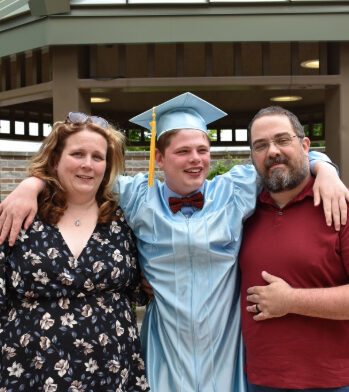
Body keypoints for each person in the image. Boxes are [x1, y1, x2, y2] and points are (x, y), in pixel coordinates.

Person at [0, 93, 348, 392]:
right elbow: (81, 173)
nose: (195, 159)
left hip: (225, 349)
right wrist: (31, 185)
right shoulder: (137, 196)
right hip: (165, 349)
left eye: (202, 149)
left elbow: (284, 156)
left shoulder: (235, 190)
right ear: (159, 159)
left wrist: (327, 170)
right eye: (182, 151)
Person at [0, 113, 150, 392]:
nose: (87, 164)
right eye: (77, 153)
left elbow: (140, 290)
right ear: (55, 159)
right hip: (31, 372)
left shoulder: (123, 220)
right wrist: (32, 184)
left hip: (112, 372)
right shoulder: (21, 215)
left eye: (97, 156)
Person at [239, 106, 349, 392]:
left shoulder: (339, 206)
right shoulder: (241, 215)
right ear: (252, 156)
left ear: (305, 146)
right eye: (260, 145)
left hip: (331, 382)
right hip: (257, 381)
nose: (272, 151)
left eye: (282, 140)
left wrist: (291, 301)